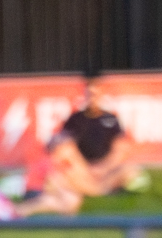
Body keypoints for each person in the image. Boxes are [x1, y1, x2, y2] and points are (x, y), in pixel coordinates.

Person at [16, 77, 144, 217]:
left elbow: (121, 148)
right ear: (85, 95)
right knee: (67, 162)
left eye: (95, 94)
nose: (92, 98)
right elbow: (63, 147)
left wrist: (103, 167)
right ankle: (95, 190)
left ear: (101, 95)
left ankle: (98, 189)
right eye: (89, 94)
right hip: (80, 170)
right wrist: (83, 167)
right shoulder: (76, 119)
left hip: (105, 170)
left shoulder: (111, 119)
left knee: (131, 170)